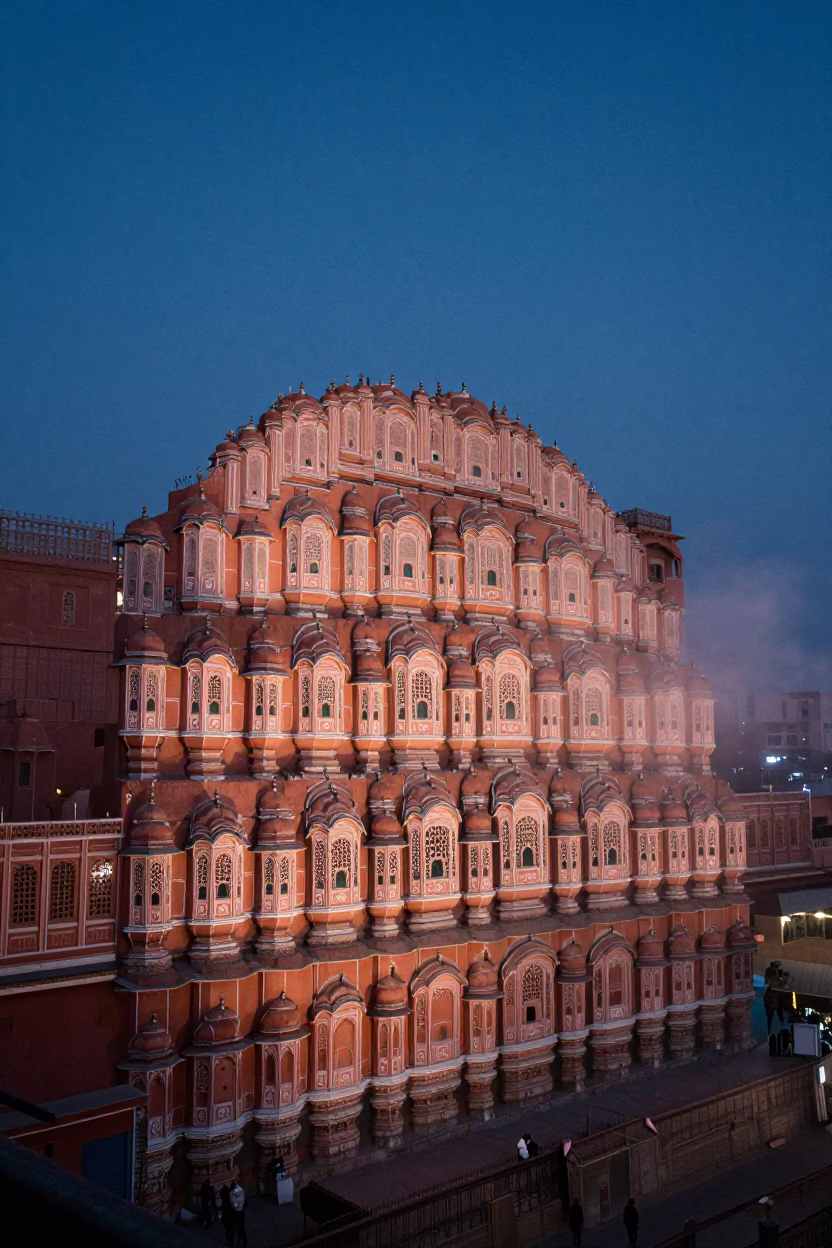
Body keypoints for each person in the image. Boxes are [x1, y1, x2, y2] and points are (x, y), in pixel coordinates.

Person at [229, 1179, 247, 1247]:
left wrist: (235, 1206)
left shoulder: (232, 1193)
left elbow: (233, 1203)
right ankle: (244, 1240)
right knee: (242, 1227)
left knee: (237, 1227)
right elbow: (243, 1200)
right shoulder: (241, 1190)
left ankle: (238, 1241)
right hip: (242, 1211)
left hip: (236, 1212)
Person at [219, 1184, 235, 1248]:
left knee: (229, 1230)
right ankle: (230, 1242)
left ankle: (230, 1242)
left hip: (229, 1217)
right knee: (230, 1230)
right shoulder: (228, 1198)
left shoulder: (226, 1199)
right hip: (229, 1217)